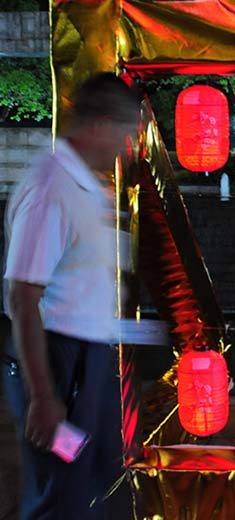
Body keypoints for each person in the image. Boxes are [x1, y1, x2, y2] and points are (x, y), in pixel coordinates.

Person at [2, 73, 139, 519]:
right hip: (58, 361)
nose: (125, 147)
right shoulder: (50, 189)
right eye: (124, 135)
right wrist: (42, 394)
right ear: (100, 125)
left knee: (104, 484)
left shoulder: (86, 185)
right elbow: (23, 295)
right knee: (61, 495)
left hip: (90, 360)